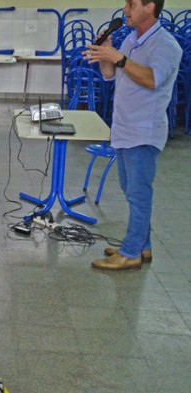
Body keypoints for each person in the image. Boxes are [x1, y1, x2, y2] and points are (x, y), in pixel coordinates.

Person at [83, 0, 181, 270]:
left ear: (150, 7)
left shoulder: (166, 45)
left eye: (132, 4)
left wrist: (118, 57)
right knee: (131, 191)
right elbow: (111, 76)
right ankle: (143, 246)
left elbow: (152, 79)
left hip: (143, 131)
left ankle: (130, 252)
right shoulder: (131, 40)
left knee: (139, 194)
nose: (125, 9)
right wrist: (106, 56)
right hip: (124, 128)